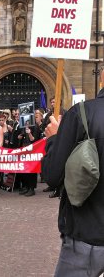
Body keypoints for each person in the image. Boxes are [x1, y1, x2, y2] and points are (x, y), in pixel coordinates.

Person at [42, 79, 104, 276]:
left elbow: (52, 175)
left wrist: (53, 139)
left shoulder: (81, 113)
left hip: (88, 236)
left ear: (102, 78)